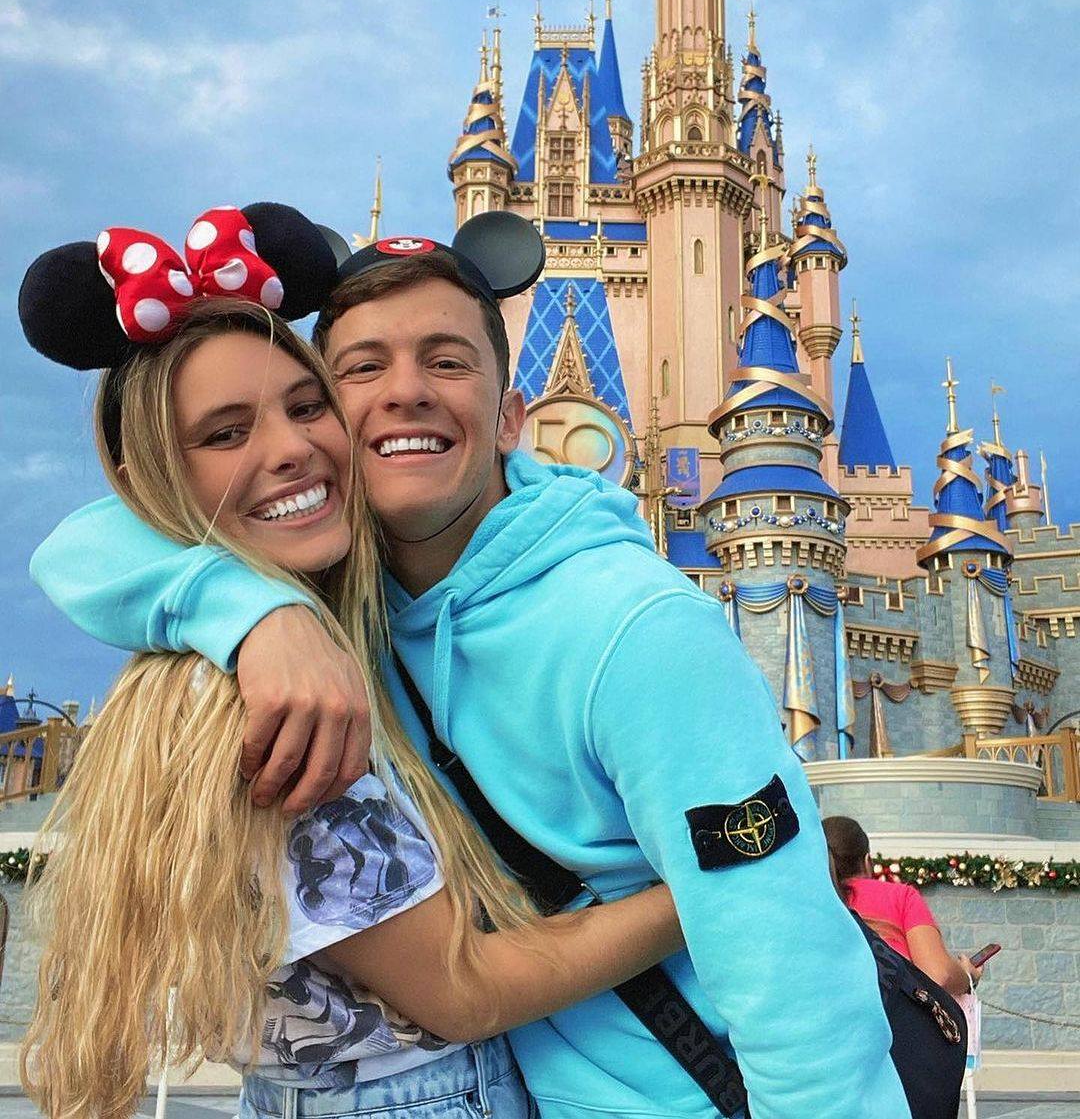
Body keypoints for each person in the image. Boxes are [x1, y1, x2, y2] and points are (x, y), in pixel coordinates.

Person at [31, 214, 912, 1117]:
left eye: (448, 361)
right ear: (340, 420)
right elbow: (79, 543)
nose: (405, 391)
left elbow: (800, 984)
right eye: (361, 368)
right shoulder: (339, 596)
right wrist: (255, 615)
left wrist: (718, 878)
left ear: (511, 418)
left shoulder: (635, 625)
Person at [823, 815, 981, 999]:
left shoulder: (810, 904)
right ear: (867, 861)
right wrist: (967, 975)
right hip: (894, 1022)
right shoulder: (900, 897)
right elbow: (940, 975)